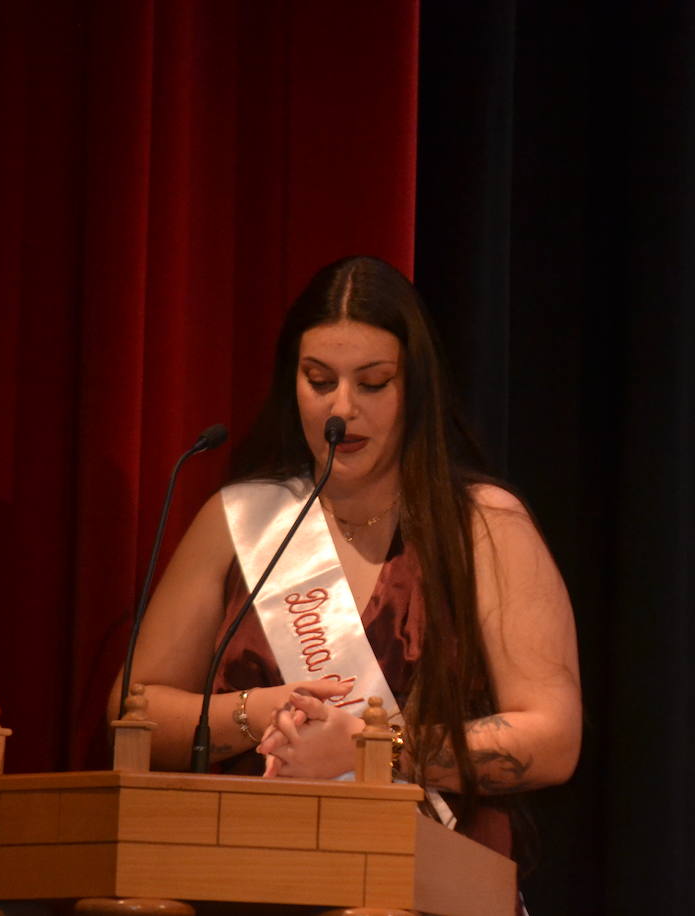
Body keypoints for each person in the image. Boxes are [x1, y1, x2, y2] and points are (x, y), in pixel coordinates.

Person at [110, 255, 581, 863]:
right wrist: (258, 712)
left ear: (416, 386)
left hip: (425, 872)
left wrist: (369, 746)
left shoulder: (485, 525)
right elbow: (133, 711)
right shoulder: (242, 519)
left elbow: (553, 738)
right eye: (320, 379)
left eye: (373, 382)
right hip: (243, 865)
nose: (343, 409)